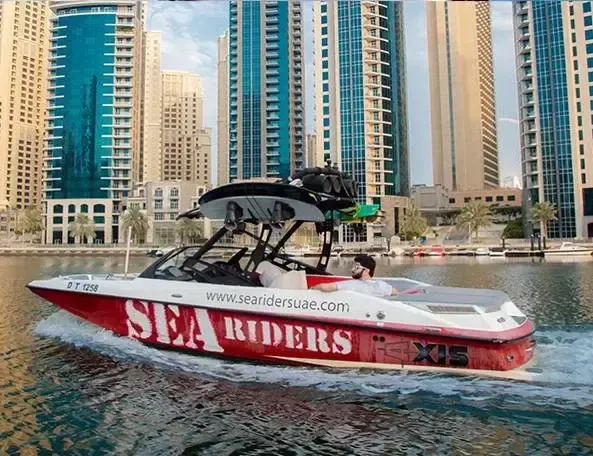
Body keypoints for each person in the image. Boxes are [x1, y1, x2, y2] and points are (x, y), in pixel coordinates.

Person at [312, 254, 398, 297]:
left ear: (366, 271)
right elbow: (395, 292)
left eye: (357, 267)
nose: (352, 269)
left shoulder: (352, 285)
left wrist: (311, 289)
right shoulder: (382, 285)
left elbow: (324, 287)